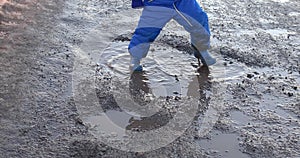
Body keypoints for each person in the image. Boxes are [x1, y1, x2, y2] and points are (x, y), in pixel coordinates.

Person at [129, 0, 216, 71]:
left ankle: (202, 50)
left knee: (199, 23)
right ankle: (135, 58)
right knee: (146, 31)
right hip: (156, 4)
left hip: (183, 3)